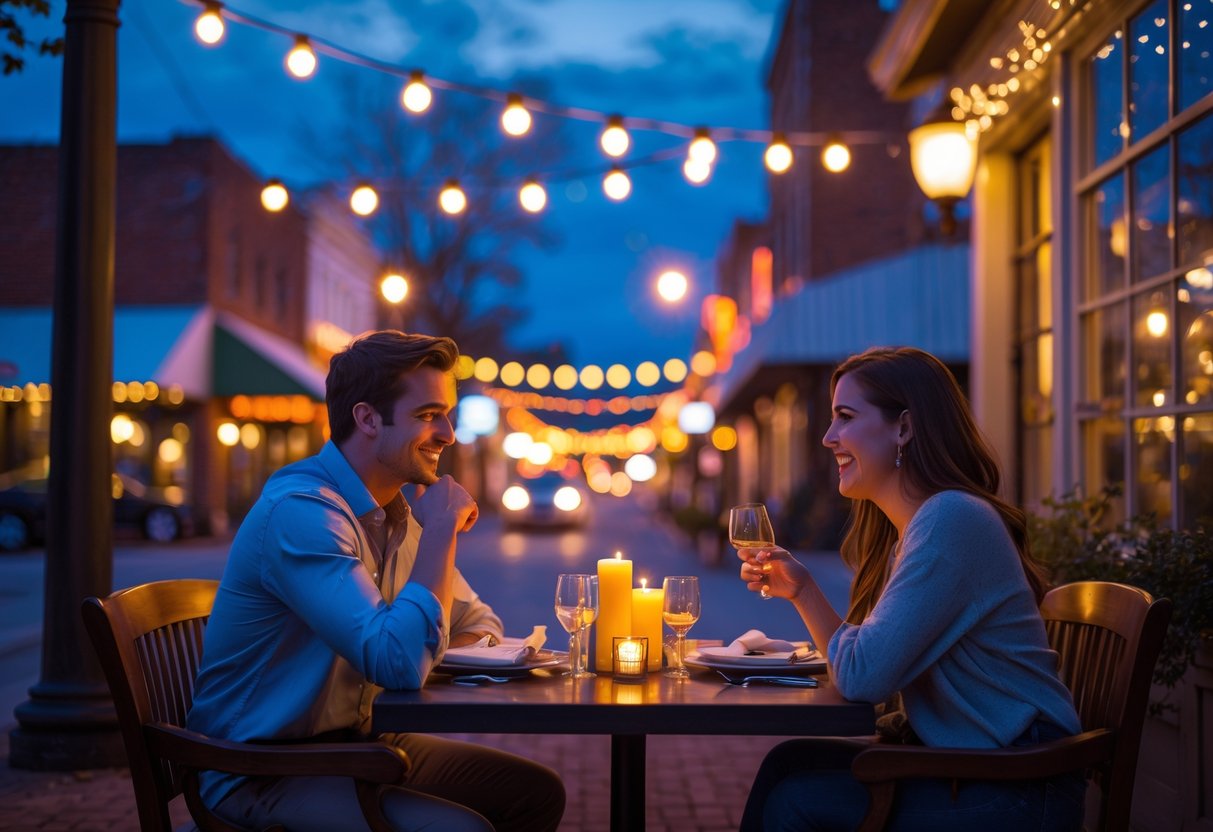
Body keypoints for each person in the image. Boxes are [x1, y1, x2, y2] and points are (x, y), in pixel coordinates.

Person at [187, 330, 565, 832]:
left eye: (447, 414)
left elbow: (479, 619)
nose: (449, 434)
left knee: (533, 794)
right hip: (262, 770)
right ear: (366, 418)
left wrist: (428, 645)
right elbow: (400, 662)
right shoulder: (303, 514)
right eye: (429, 415)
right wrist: (441, 532)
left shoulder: (390, 515)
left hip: (357, 745)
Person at [736, 346, 1085, 831]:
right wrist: (800, 591)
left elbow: (862, 676)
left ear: (903, 427)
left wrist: (806, 592)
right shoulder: (920, 528)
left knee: (795, 801)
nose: (828, 437)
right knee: (789, 764)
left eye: (845, 417)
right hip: (976, 765)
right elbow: (867, 665)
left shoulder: (950, 521)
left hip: (1018, 783)